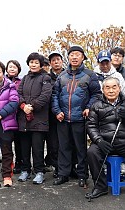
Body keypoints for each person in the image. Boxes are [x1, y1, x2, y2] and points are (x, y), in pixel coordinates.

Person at [52, 45, 101, 187]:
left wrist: (88, 108)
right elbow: (55, 95)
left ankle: (82, 175)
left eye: (77, 54)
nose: (74, 57)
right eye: (72, 54)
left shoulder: (89, 75)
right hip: (62, 118)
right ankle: (63, 174)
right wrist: (57, 111)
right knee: (63, 147)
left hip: (80, 118)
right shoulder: (62, 76)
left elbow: (96, 94)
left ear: (83, 57)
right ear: (68, 57)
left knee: (81, 148)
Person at [85, 77, 125, 199]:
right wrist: (99, 141)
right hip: (104, 142)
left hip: (123, 142)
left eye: (114, 87)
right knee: (92, 152)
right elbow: (91, 125)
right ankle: (100, 186)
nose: (111, 90)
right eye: (107, 87)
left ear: (119, 88)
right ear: (103, 90)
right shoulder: (96, 105)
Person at [17, 52, 52, 184]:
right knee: (24, 147)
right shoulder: (25, 78)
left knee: (38, 148)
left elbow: (45, 95)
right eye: (31, 62)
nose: (33, 64)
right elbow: (18, 94)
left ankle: (39, 171)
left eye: (36, 62)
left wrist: (32, 106)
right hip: (24, 119)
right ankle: (25, 170)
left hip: (39, 120)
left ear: (41, 64)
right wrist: (23, 106)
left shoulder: (45, 78)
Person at [44, 51, 64, 177]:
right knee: (53, 144)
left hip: (67, 114)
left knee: (67, 143)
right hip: (51, 116)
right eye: (53, 60)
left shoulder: (69, 75)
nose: (56, 62)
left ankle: (70, 167)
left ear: (62, 61)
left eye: (58, 59)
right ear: (50, 63)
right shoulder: (46, 78)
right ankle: (57, 167)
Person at [5, 60, 22, 174]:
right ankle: (8, 164)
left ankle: (19, 164)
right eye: (10, 67)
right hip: (5, 116)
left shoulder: (21, 82)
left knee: (19, 143)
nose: (12, 69)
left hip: (18, 116)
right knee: (6, 143)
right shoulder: (2, 81)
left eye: (14, 67)